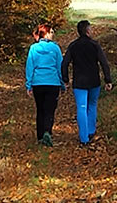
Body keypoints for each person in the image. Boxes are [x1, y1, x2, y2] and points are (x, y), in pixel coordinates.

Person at [61, 19, 112, 147]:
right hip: (94, 81)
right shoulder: (95, 45)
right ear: (88, 31)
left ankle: (83, 138)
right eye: (91, 29)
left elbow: (65, 63)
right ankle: (91, 131)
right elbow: (104, 63)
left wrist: (65, 79)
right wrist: (108, 79)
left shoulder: (73, 46)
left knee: (81, 108)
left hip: (79, 83)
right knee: (92, 105)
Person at [25, 22, 64, 146]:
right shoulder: (55, 48)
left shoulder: (33, 48)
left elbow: (30, 67)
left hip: (38, 83)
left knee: (40, 109)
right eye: (51, 32)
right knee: (50, 110)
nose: (53, 34)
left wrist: (29, 84)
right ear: (45, 34)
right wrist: (62, 83)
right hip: (53, 83)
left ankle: (40, 136)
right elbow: (60, 67)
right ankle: (48, 131)